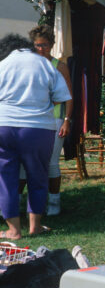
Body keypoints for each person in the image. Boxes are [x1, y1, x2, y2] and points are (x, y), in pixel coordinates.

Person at [0, 34, 70, 239]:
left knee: (6, 178)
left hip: (4, 125)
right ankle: (35, 226)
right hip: (38, 128)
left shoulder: (3, 64)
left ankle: (13, 230)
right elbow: (61, 98)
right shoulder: (45, 65)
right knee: (38, 176)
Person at [18, 26, 74, 216]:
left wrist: (67, 120)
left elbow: (69, 97)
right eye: (37, 45)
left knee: (51, 162)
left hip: (54, 119)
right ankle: (15, 202)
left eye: (45, 45)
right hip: (30, 120)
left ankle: (54, 202)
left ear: (51, 45)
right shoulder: (28, 65)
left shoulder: (59, 66)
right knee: (23, 162)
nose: (41, 49)